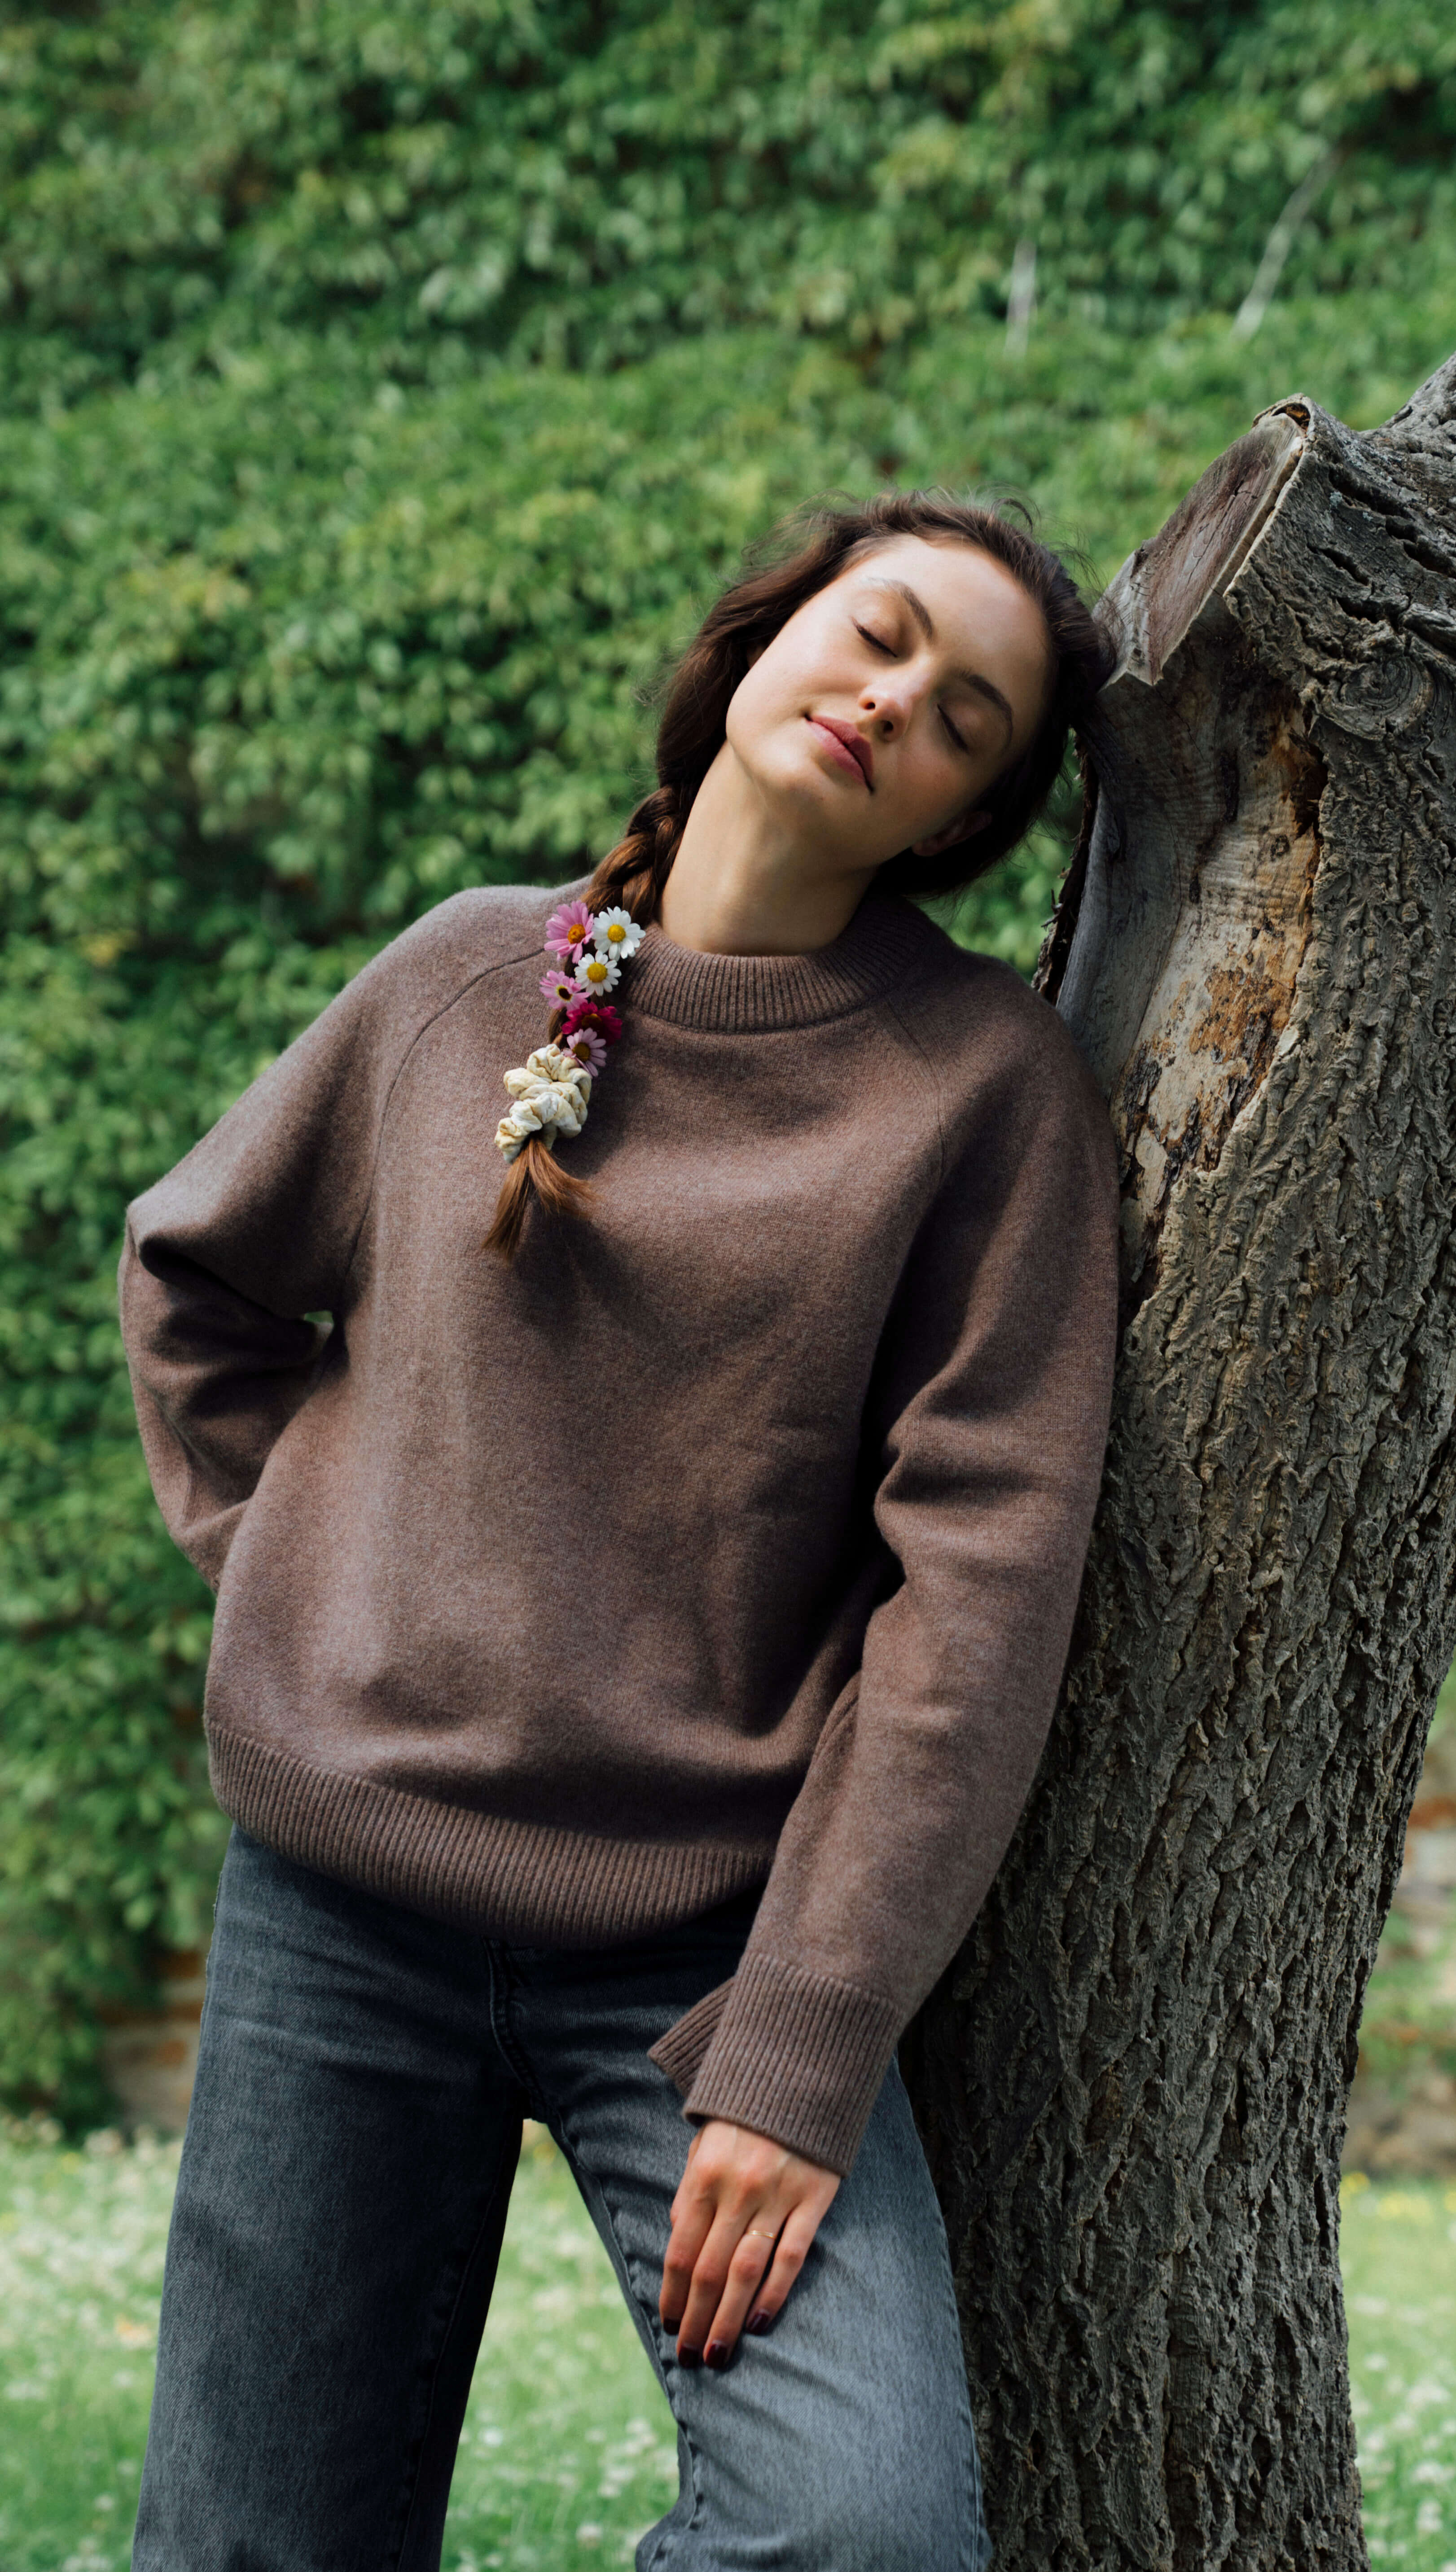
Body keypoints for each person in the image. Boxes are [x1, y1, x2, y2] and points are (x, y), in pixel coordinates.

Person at [119, 489, 1122, 2571]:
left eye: (965, 716)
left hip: (706, 1948)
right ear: (767, 635)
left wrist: (805, 2043)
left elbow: (980, 1591)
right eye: (880, 633)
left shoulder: (980, 1088)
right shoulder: (465, 977)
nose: (895, 701)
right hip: (341, 1899)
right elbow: (195, 1277)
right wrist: (312, 1577)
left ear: (964, 818)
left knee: (857, 2532)